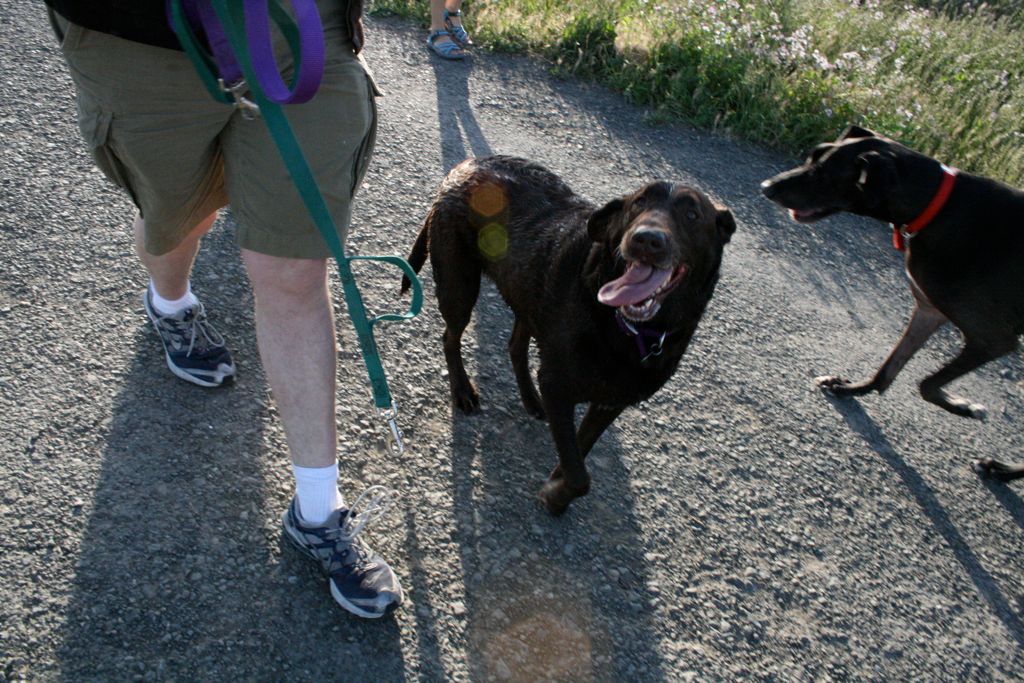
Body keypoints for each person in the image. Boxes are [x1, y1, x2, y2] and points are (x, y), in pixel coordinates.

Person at [42, 0, 404, 619]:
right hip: (140, 39)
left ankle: (318, 510)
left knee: (292, 268)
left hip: (300, 24)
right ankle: (171, 302)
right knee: (183, 215)